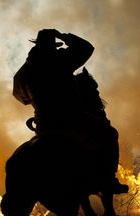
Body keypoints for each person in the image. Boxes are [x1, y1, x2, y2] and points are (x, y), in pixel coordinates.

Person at [13, 28, 128, 194]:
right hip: (71, 119)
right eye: (55, 45)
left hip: (44, 124)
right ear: (52, 46)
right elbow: (87, 48)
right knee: (110, 134)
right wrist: (63, 36)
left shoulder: (22, 74)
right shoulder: (59, 60)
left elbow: (21, 98)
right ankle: (109, 180)